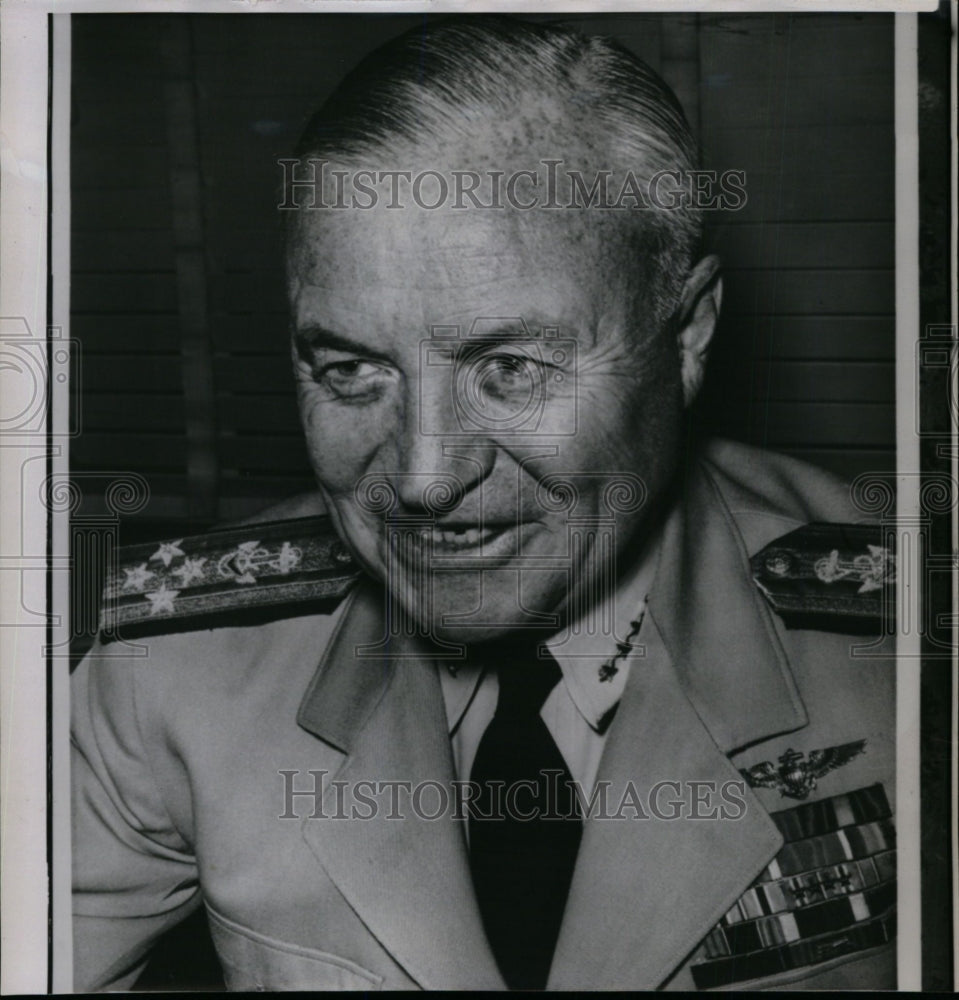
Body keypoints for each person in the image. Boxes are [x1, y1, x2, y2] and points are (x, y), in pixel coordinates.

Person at [72, 16, 897, 991]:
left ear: (685, 336)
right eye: (349, 370)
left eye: (508, 369)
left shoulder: (904, 642)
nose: (422, 478)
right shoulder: (176, 666)